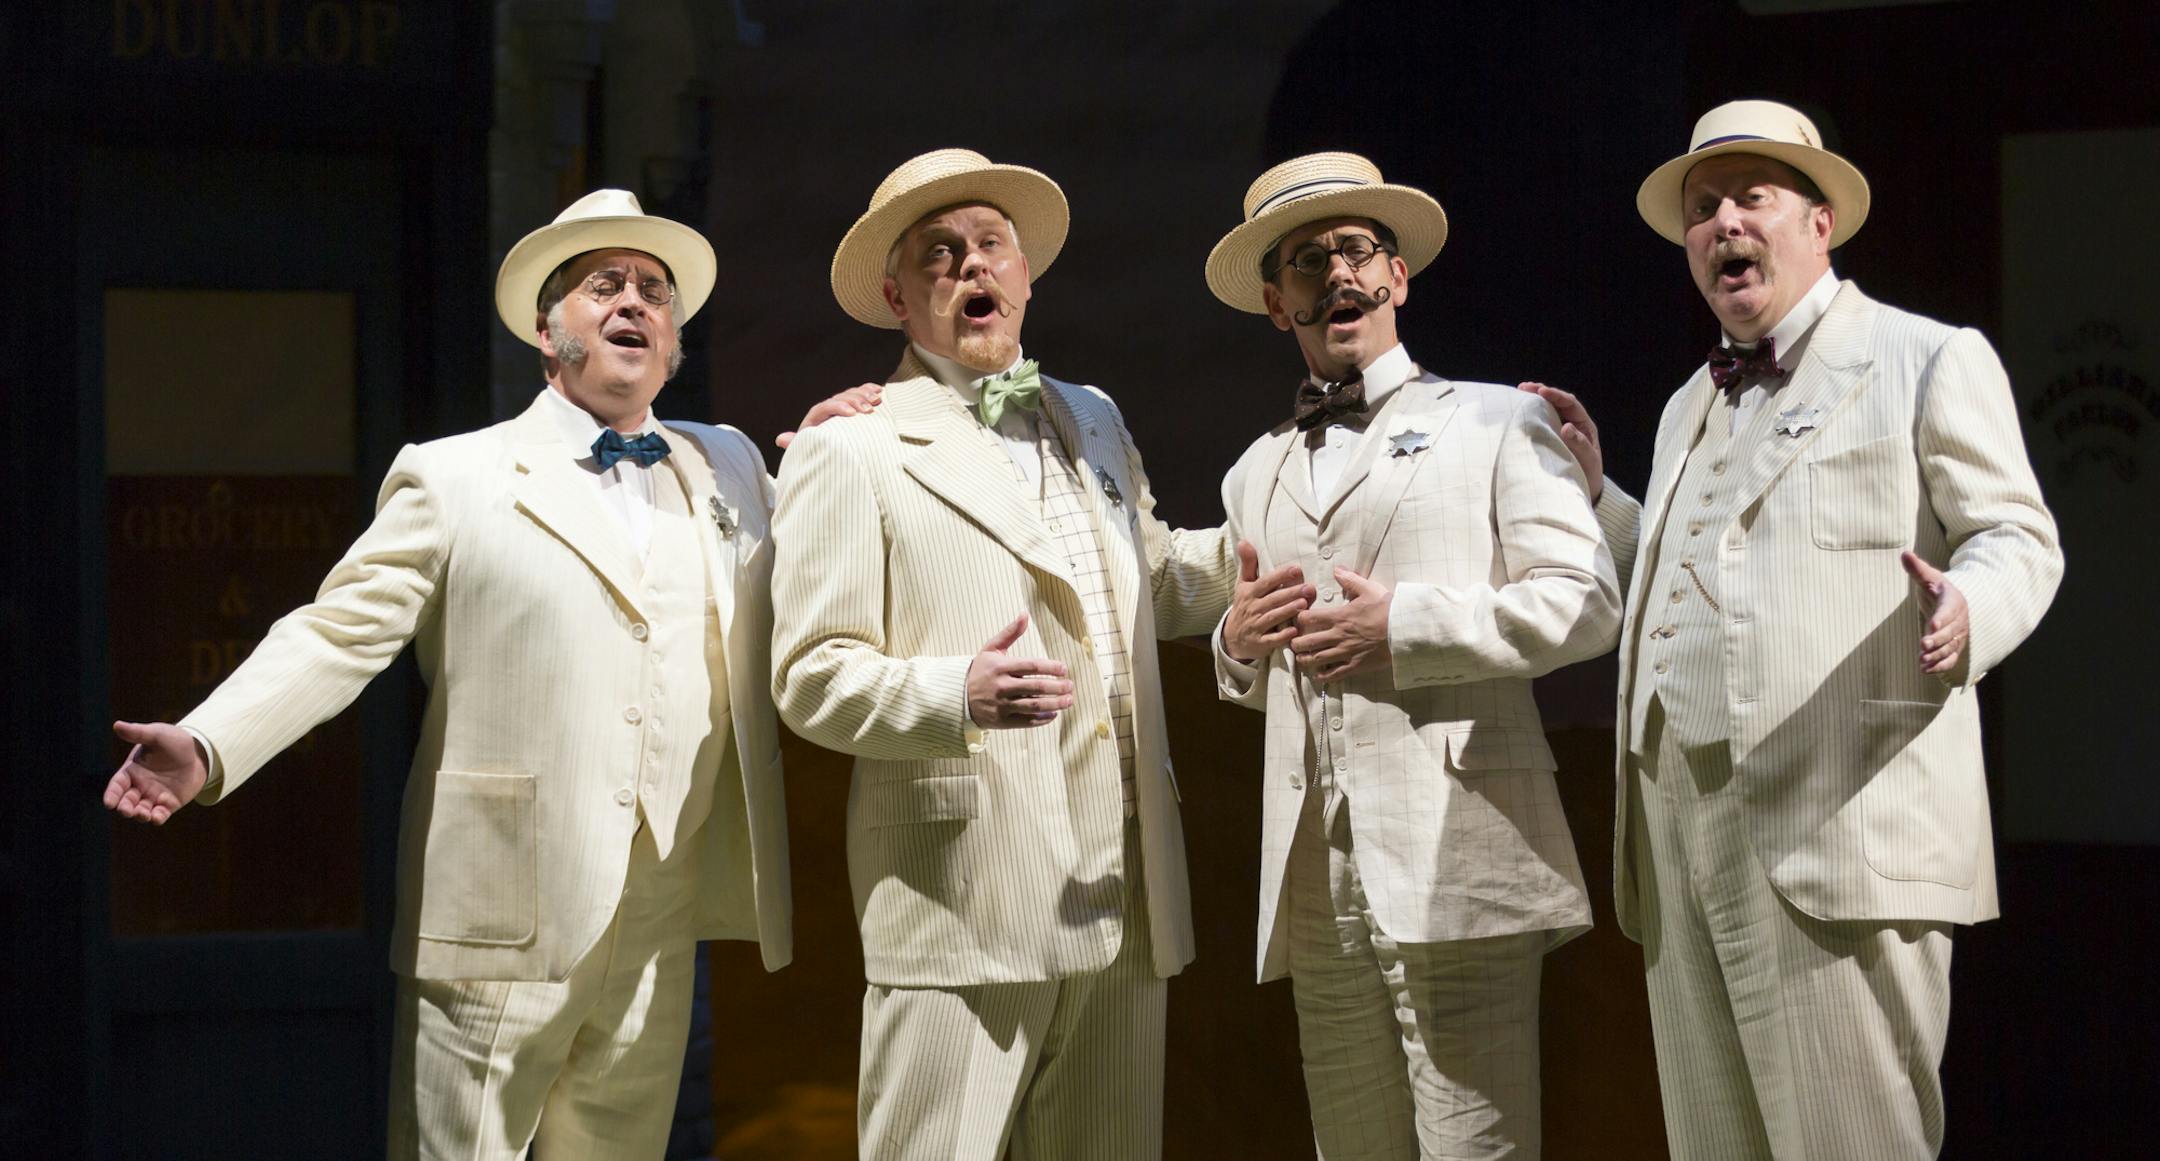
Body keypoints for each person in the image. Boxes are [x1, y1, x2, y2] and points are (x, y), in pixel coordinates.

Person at [101, 189, 861, 1158]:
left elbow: (814, 582)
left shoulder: (729, 467)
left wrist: (853, 453)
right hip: (501, 903)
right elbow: (339, 632)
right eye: (605, 286)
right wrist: (210, 742)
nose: (635, 302)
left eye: (654, 291)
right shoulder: (456, 475)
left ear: (673, 340)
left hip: (662, 906)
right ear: (550, 334)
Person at [1525, 100, 2064, 1159]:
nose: (1723, 223)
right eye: (1702, 208)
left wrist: (1969, 607)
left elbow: (2017, 537)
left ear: (1821, 222)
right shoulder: (1690, 402)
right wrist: (1605, 504)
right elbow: (1703, 573)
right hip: (1681, 828)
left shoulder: (1923, 357)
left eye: (1750, 199)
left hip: (1841, 815)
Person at [768, 148, 1237, 1161]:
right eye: (941, 254)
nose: (971, 267)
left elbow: (1150, 582)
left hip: (1125, 889)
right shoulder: (854, 448)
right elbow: (810, 675)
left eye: (990, 245)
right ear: (897, 296)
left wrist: (1281, 547)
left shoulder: (1094, 417)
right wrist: (956, 693)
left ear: (1025, 275)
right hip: (965, 891)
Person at [1203, 152, 1621, 1159]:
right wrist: (1234, 643)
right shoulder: (1255, 469)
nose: (1338, 275)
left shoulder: (1495, 418)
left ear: (1398, 275)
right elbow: (1244, 632)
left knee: (1475, 1145)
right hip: (1316, 870)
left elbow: (1587, 601)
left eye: (1357, 249)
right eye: (1308, 261)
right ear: (1276, 302)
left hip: (1460, 845)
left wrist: (1409, 626)